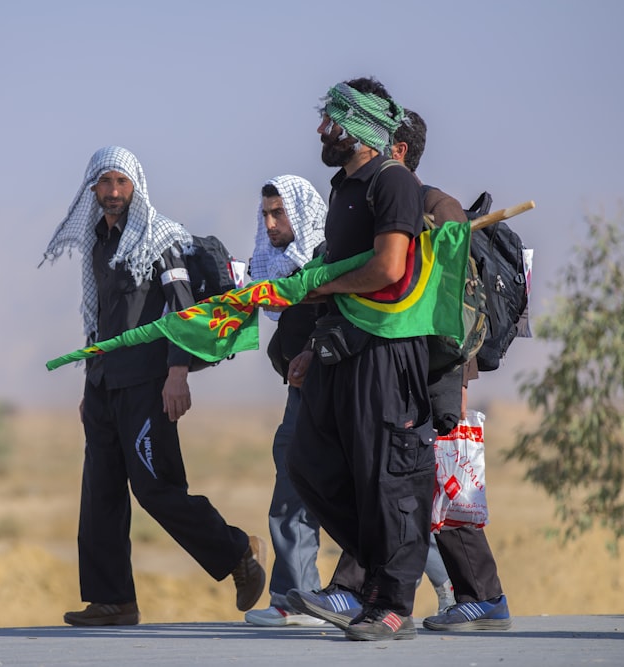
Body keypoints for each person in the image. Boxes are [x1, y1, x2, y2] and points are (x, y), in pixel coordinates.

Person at [288, 109, 511, 633]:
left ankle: (474, 595)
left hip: (428, 367)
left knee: (416, 485)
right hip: (369, 359)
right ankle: (363, 589)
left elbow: (452, 304)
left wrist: (451, 390)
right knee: (388, 482)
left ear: (399, 151)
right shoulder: (366, 198)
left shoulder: (434, 205)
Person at [41, 146, 267, 626]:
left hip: (148, 383)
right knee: (99, 492)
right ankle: (113, 600)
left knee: (156, 487)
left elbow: (183, 309)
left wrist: (177, 374)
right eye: (105, 183)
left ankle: (238, 552)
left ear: (136, 187)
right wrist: (89, 384)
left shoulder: (160, 238)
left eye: (121, 183)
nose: (113, 193)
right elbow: (100, 317)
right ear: (92, 188)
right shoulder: (99, 241)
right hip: (104, 383)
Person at [283, 77, 436, 642]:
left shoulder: (392, 181)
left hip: (387, 352)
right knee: (311, 462)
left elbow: (388, 268)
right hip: (338, 347)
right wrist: (308, 347)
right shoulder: (344, 186)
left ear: (364, 127)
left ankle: (393, 602)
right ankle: (378, 574)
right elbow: (345, 268)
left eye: (333, 121)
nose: (323, 131)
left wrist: (321, 290)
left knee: (388, 477)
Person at [243, 176, 329, 627]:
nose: (271, 223)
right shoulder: (289, 266)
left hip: (332, 392)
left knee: (366, 493)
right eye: (266, 215)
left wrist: (312, 351)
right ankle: (298, 598)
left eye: (279, 214)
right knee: (294, 484)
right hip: (303, 393)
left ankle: (451, 585)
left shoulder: (325, 258)